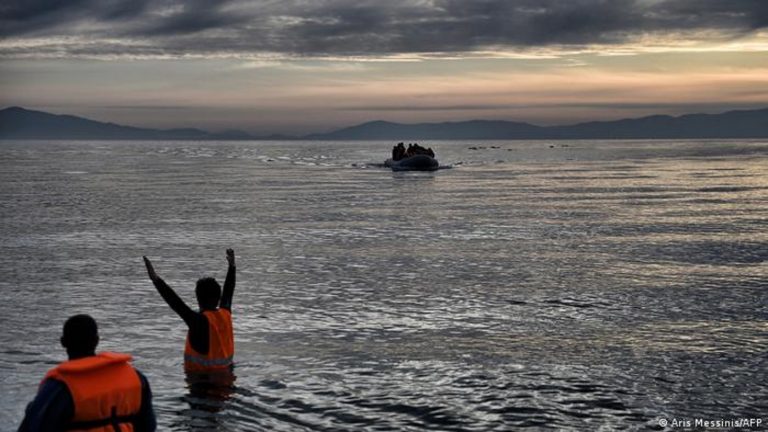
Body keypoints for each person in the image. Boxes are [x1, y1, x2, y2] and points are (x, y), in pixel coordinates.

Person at [18, 314, 156, 432]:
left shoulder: (60, 387)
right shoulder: (136, 378)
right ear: (96, 341)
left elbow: (34, 427)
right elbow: (149, 426)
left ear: (63, 342)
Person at [143, 249, 236, 373]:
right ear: (218, 298)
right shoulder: (225, 314)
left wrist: (155, 279)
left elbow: (175, 303)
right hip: (228, 383)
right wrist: (232, 266)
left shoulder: (199, 322)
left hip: (201, 387)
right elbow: (229, 292)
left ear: (198, 298)